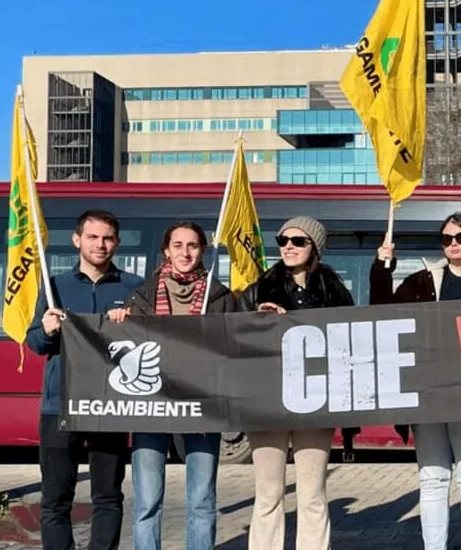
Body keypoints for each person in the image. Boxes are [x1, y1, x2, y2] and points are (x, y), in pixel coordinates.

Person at [370, 213, 461, 550]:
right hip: (428, 393)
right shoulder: (421, 281)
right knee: (432, 478)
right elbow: (382, 314)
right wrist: (381, 269)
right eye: (446, 238)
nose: (453, 244)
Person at [105, 221, 237, 550]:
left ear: (202, 250)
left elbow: (238, 343)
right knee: (147, 503)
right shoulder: (142, 296)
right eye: (177, 245)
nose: (185, 253)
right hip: (151, 407)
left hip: (203, 408)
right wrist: (121, 318)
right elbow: (123, 340)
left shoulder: (219, 297)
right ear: (166, 250)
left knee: (202, 502)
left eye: (192, 245)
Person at [25, 209, 143, 550]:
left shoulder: (133, 287)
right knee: (55, 498)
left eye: (107, 238)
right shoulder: (54, 287)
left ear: (117, 243)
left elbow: (148, 343)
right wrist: (47, 329)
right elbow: (34, 343)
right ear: (77, 240)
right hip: (59, 403)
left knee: (108, 496)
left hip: (111, 404)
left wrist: (133, 323)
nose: (100, 244)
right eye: (92, 237)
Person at [238, 216, 354, 550]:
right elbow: (234, 339)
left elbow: (348, 339)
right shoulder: (259, 289)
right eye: (283, 240)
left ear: (315, 247)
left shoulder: (335, 292)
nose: (288, 246)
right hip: (268, 403)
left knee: (313, 493)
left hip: (315, 402)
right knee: (269, 494)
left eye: (298, 241)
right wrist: (257, 319)